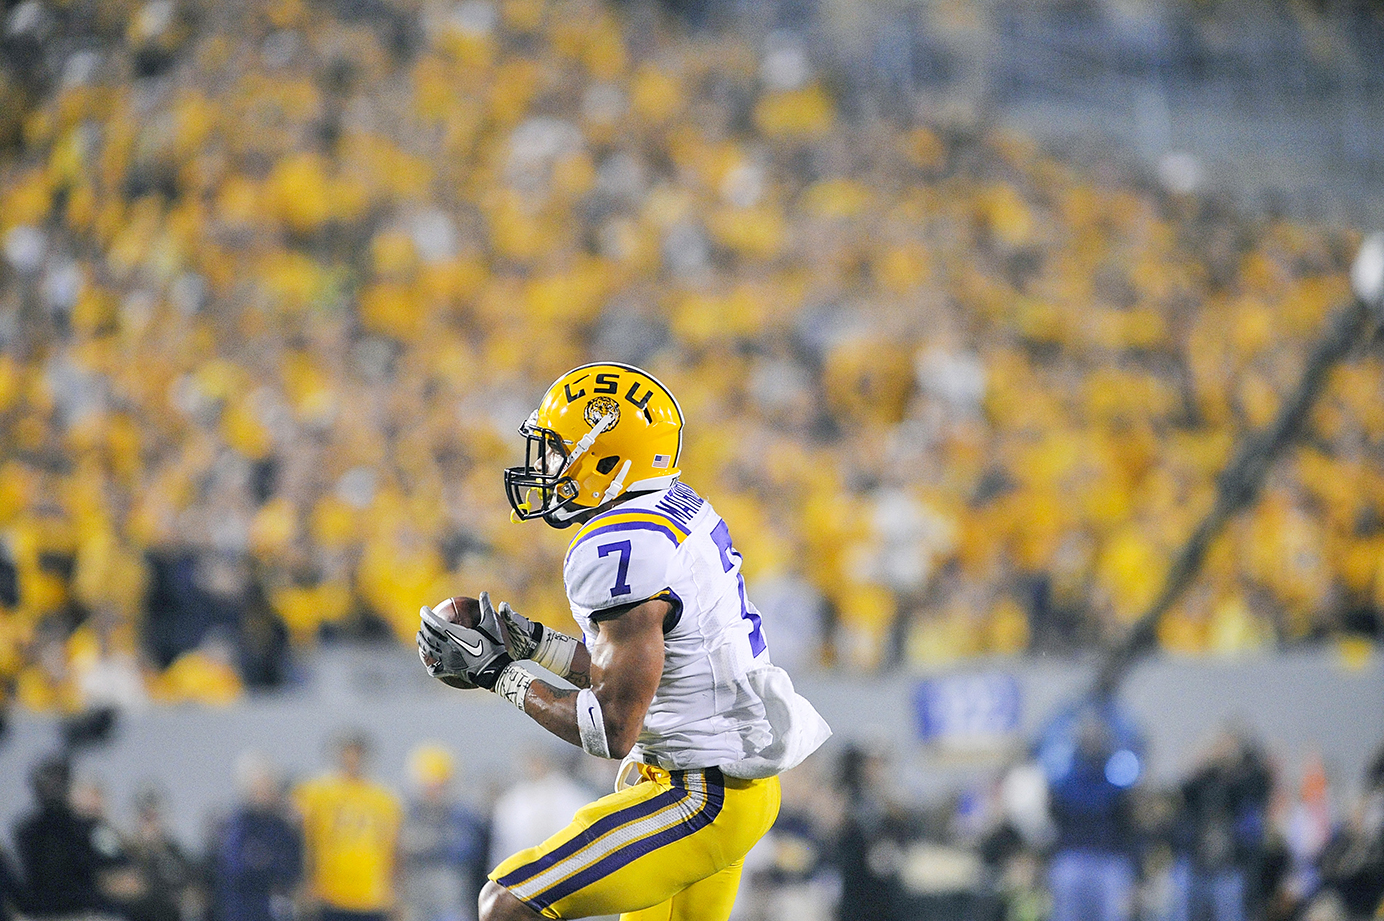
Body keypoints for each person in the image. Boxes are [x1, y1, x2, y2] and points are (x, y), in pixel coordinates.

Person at [416, 362, 831, 921]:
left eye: (557, 450)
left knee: (506, 906)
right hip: (739, 784)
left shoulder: (618, 545)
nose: (543, 467)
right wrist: (533, 644)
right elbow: (647, 673)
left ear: (609, 459)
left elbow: (611, 728)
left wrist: (498, 675)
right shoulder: (671, 507)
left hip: (697, 798)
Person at [294, 732, 403, 921]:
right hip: (328, 894)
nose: (352, 760)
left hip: (372, 896)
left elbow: (394, 849)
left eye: (357, 754)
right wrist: (304, 884)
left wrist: (396, 893)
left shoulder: (384, 799)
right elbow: (300, 840)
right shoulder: (315, 793)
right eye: (347, 753)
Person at [11, 757, 130, 919]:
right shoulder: (27, 830)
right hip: (44, 914)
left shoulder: (89, 827)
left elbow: (121, 871)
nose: (52, 789)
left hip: (86, 912)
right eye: (46, 784)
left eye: (57, 783)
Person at [400, 742, 488, 921]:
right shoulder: (408, 812)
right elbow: (400, 848)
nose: (433, 791)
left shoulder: (462, 813)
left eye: (438, 785)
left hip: (452, 899)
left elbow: (468, 851)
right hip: (416, 898)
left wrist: (428, 844)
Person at [213, 751, 303, 921]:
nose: (264, 792)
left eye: (267, 785)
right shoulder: (238, 825)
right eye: (259, 786)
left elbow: (291, 867)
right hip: (243, 909)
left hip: (275, 910)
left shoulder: (280, 826)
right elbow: (238, 869)